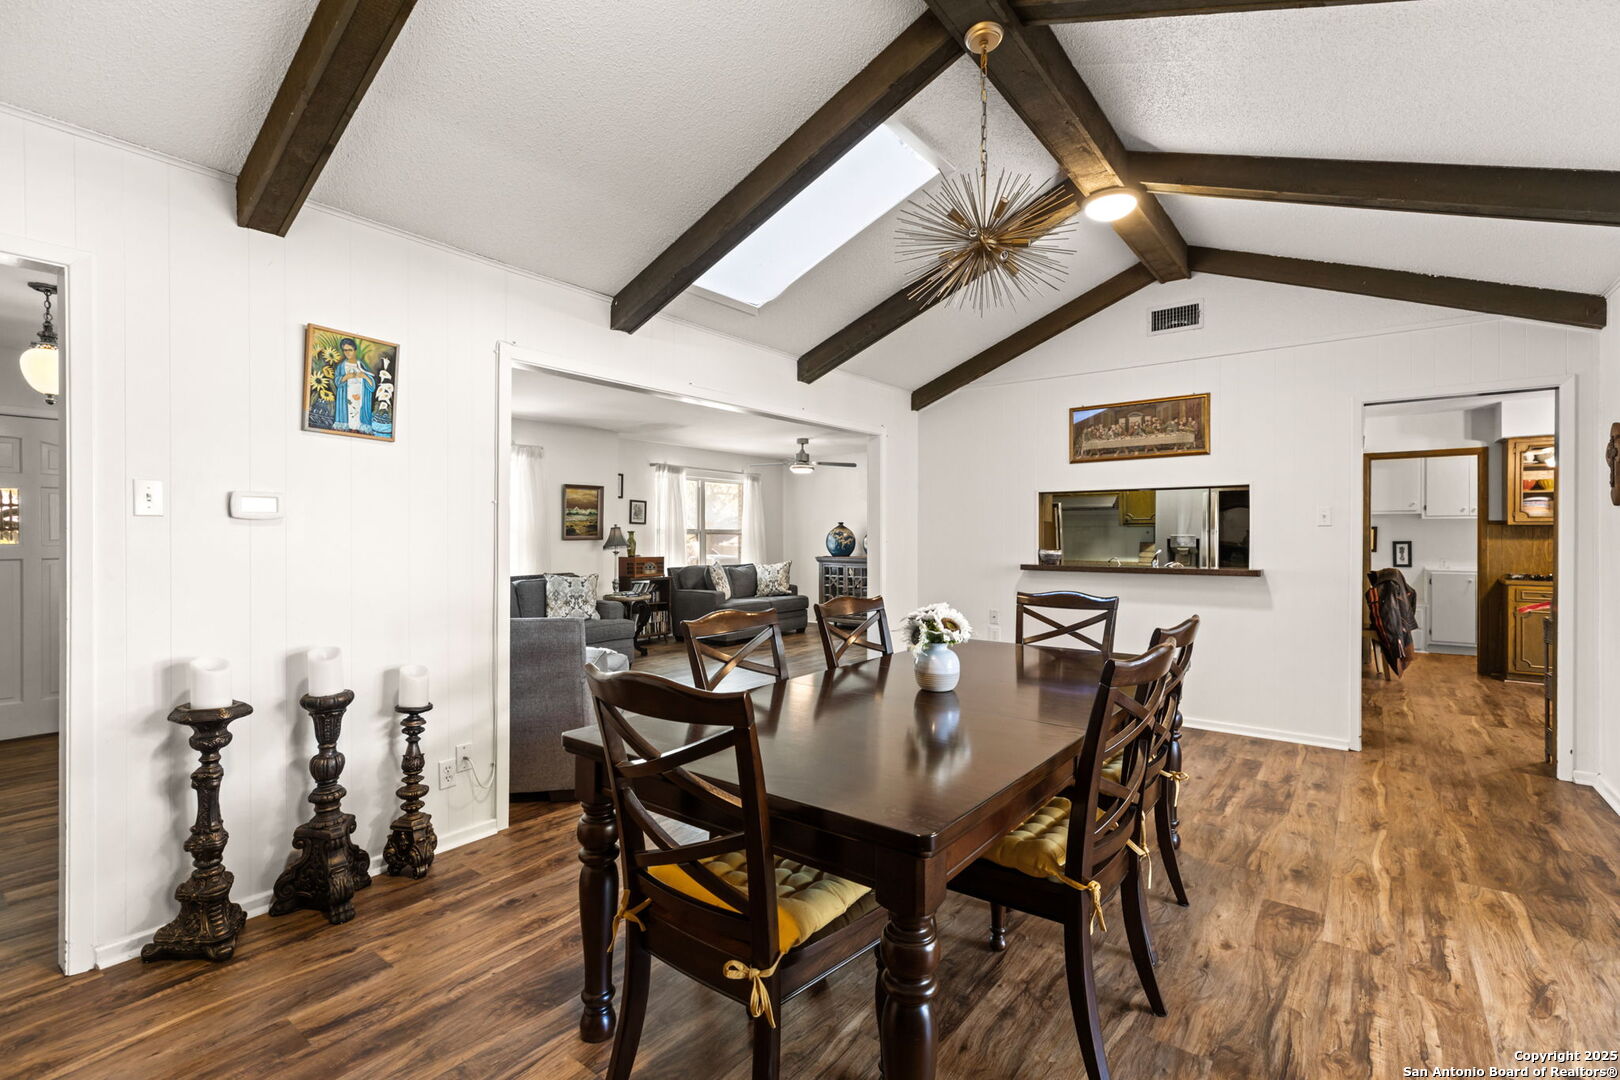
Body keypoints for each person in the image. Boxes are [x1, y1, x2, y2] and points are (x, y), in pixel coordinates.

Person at [331, 337, 375, 434]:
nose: (347, 353)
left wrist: (364, 376)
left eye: (350, 350)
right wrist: (346, 377)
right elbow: (337, 382)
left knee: (358, 415)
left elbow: (371, 386)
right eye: (345, 350)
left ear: (354, 350)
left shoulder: (361, 365)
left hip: (360, 396)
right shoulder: (341, 366)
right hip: (346, 396)